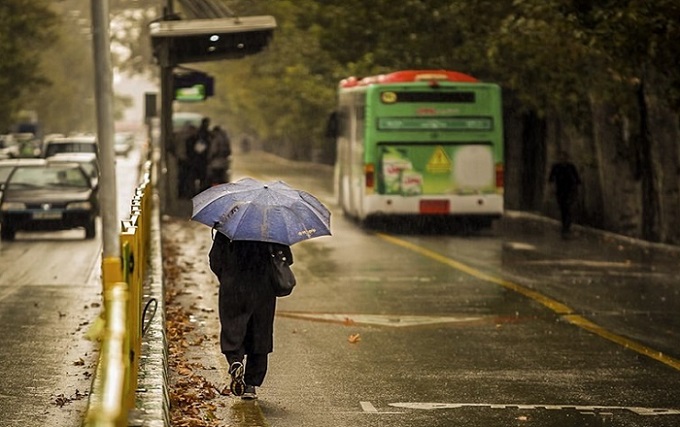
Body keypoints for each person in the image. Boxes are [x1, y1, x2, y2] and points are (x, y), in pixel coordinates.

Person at [208, 231, 293, 400]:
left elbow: (215, 259)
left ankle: (235, 361)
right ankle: (250, 385)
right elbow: (287, 259)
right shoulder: (272, 228)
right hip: (263, 288)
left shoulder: (228, 228)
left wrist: (226, 277)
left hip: (233, 285)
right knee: (260, 333)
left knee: (233, 328)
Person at [548, 151, 581, 237]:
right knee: (563, 208)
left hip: (570, 191)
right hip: (560, 190)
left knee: (568, 208)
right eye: (561, 157)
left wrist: (576, 191)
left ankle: (567, 226)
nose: (563, 159)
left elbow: (577, 180)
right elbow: (551, 179)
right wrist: (552, 190)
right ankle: (564, 225)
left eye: (564, 157)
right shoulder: (556, 167)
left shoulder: (571, 167)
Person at [186, 117, 212, 194]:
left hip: (198, 159)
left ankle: (196, 191)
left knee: (197, 176)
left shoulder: (199, 133)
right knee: (200, 176)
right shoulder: (204, 134)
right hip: (201, 159)